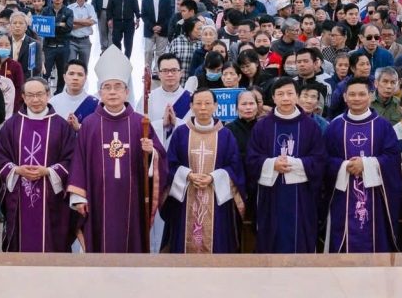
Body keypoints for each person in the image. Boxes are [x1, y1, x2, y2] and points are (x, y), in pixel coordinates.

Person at [68, 45, 167, 253]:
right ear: (100, 92)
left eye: (118, 87)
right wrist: (79, 197)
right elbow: (79, 162)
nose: (112, 92)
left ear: (127, 92)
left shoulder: (141, 123)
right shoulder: (90, 124)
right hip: (96, 199)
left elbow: (160, 161)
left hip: (133, 200)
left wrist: (152, 153)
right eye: (107, 87)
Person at [0, 76, 77, 253]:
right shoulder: (11, 125)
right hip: (19, 196)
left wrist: (48, 171)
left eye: (39, 94)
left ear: (48, 95)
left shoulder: (61, 126)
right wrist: (17, 170)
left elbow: (72, 158)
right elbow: (0, 156)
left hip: (52, 199)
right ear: (23, 97)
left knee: (52, 243)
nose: (35, 99)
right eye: (30, 95)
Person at [161, 86, 245, 253]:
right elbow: (169, 164)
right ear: (191, 106)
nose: (203, 108)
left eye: (207, 103)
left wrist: (213, 177)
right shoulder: (181, 133)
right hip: (186, 197)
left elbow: (235, 166)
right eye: (198, 103)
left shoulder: (226, 135)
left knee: (217, 241)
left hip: (216, 198)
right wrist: (188, 175)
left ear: (215, 106)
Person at [324, 76, 402, 253]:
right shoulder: (335, 127)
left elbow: (392, 159)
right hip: (343, 197)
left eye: (361, 94)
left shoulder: (383, 126)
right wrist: (345, 166)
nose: (356, 98)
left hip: (376, 199)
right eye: (352, 94)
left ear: (371, 96)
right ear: (345, 97)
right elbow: (325, 159)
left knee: (375, 238)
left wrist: (366, 164)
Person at [247, 76, 325, 253]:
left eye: (290, 93)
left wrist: (293, 164)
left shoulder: (310, 126)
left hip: (302, 196)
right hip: (271, 194)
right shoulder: (262, 126)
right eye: (280, 94)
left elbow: (319, 160)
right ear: (273, 98)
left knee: (299, 240)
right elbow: (251, 159)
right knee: (271, 240)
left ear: (297, 96)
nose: (285, 98)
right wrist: (272, 164)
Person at [49, 59, 100, 130]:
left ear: (85, 78)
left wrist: (79, 127)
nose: (75, 78)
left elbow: (97, 131)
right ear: (64, 77)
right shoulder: (53, 102)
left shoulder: (95, 104)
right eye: (71, 74)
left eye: (80, 74)